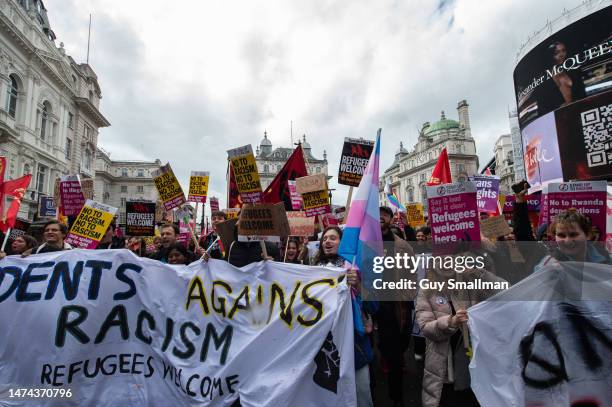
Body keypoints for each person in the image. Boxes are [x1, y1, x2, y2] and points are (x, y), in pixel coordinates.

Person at [417, 248, 506, 407]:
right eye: (441, 258)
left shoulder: (471, 282)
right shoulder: (427, 291)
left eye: (452, 257)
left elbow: (504, 291)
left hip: (475, 364)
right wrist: (451, 322)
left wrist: (478, 273)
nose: (446, 262)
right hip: (445, 369)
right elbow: (425, 327)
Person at [313, 226, 374, 407]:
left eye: (333, 238)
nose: (327, 241)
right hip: (325, 349)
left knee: (362, 396)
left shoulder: (354, 269)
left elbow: (373, 306)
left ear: (343, 243)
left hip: (355, 348)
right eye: (324, 239)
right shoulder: (312, 272)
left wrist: (358, 286)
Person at [376, 206, 416, 407]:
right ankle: (390, 395)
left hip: (397, 306)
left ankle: (396, 394)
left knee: (398, 349)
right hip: (375, 304)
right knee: (385, 351)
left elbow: (412, 276)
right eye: (378, 214)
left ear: (391, 220)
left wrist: (407, 297)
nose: (381, 217)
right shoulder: (366, 242)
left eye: (386, 215)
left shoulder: (403, 246)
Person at [535, 209, 611, 271]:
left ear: (588, 235)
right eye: (561, 235)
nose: (567, 241)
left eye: (573, 235)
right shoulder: (546, 266)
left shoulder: (606, 259)